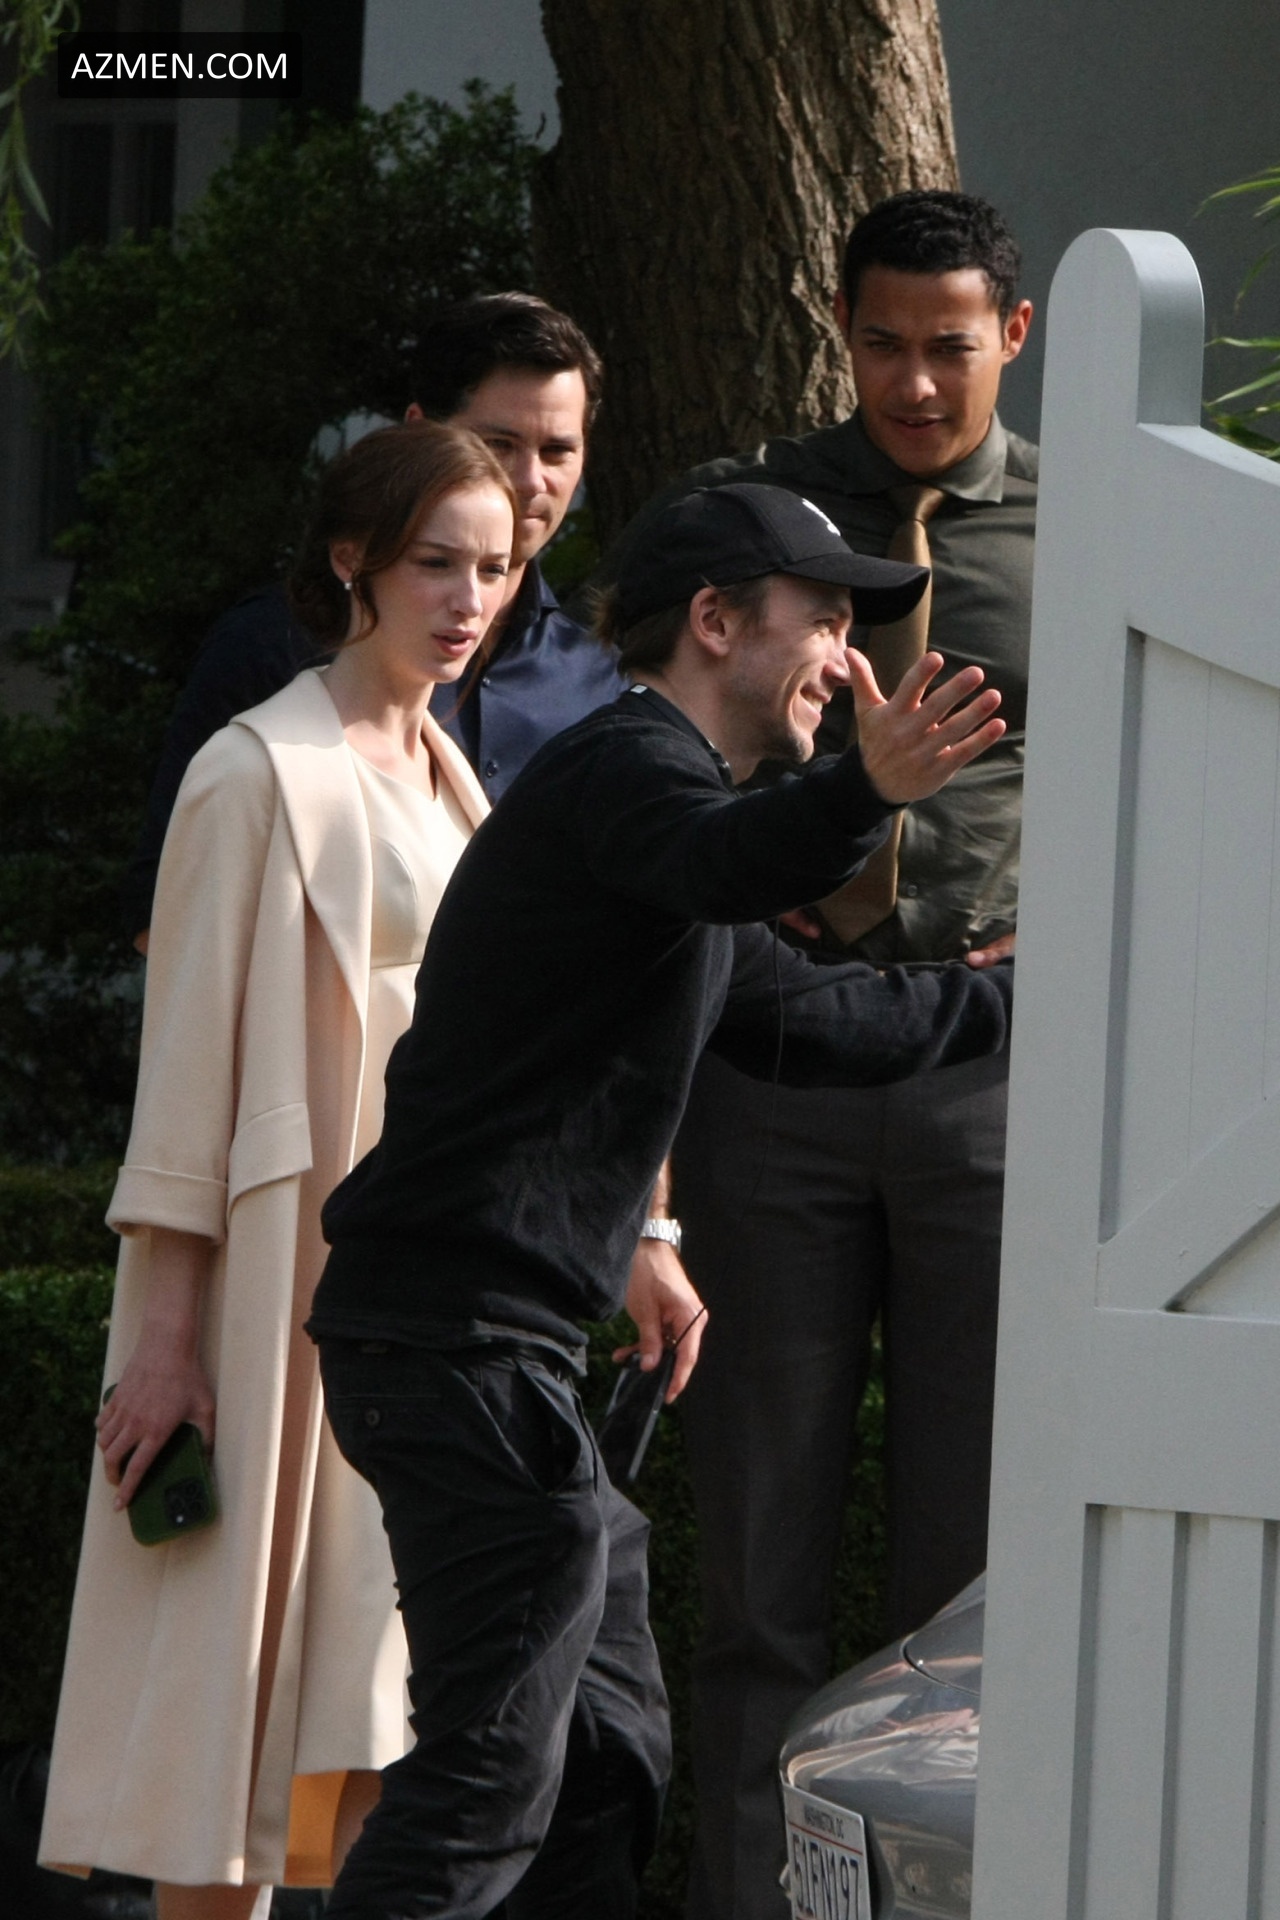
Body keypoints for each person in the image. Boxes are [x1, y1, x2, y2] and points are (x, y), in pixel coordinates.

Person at [305, 480, 1015, 1918]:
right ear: (713, 622)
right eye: (822, 617)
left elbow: (830, 1021)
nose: (844, 656)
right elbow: (728, 859)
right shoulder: (627, 775)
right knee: (486, 1777)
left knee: (602, 1756)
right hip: (450, 1345)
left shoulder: (667, 844)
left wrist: (1043, 997)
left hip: (496, 1356)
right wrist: (865, 790)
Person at [617, 189, 1037, 1920]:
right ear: (840, 334)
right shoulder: (762, 519)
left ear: (1014, 338)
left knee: (969, 1589)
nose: (915, 384)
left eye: (951, 347)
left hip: (986, 1072)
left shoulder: (1094, 525)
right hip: (777, 1065)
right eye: (881, 344)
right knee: (758, 1573)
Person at [40, 422, 515, 1919]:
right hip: (276, 1299)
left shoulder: (454, 779)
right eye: (436, 562)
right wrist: (167, 1343)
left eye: (494, 567)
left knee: (364, 1704)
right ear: (351, 560)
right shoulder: (250, 773)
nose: (468, 598)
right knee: (233, 1731)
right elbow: (183, 1083)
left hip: (414, 1292)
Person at [121, 292, 625, 950]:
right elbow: (165, 919)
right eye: (499, 443)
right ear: (417, 433)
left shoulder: (597, 676)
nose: (530, 481)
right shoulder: (276, 647)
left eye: (557, 451)